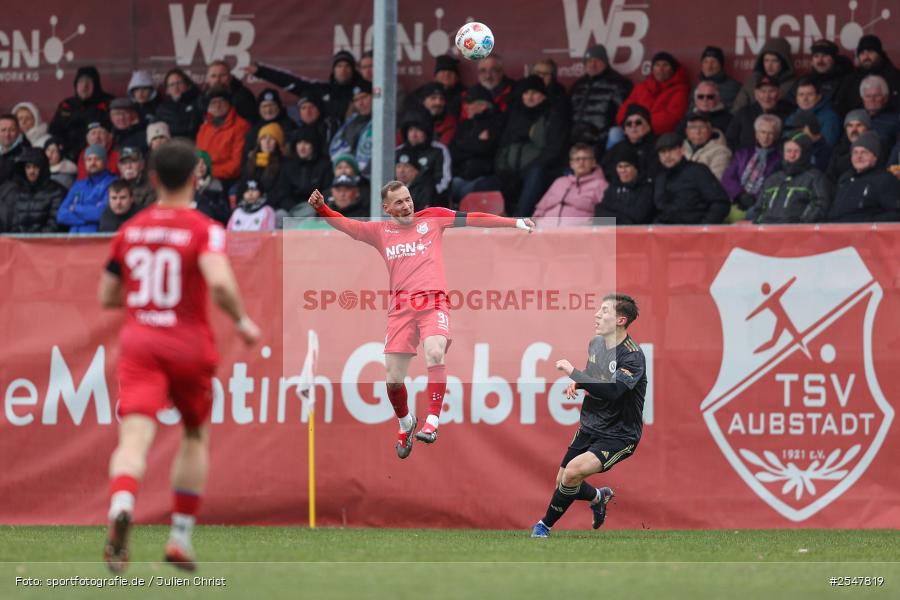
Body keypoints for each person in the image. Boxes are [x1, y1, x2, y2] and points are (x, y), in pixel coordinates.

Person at [98, 138, 260, 574]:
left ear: (151, 179)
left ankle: (121, 503)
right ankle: (180, 536)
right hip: (188, 343)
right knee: (194, 435)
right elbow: (221, 284)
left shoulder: (129, 230)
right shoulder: (205, 228)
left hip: (141, 344)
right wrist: (242, 321)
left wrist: (145, 303)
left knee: (134, 439)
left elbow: (107, 294)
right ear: (196, 177)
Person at [307, 183, 535, 453]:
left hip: (434, 302)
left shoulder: (433, 218)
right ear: (387, 208)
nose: (407, 206)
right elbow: (346, 224)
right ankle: (406, 423)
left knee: (435, 353)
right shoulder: (379, 232)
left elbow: (474, 218)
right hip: (401, 310)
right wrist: (322, 208)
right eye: (399, 203)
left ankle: (432, 421)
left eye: (408, 199)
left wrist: (515, 222)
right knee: (393, 380)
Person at [531, 294, 647, 538]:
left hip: (620, 434)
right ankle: (598, 497)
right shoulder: (596, 343)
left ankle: (543, 527)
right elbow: (596, 377)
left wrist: (573, 373)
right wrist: (581, 383)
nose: (597, 314)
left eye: (604, 311)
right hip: (591, 424)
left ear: (620, 320)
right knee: (563, 481)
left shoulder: (632, 356)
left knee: (572, 473)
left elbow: (614, 390)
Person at [495, 75, 568, 216]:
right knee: (483, 185)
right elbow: (502, 149)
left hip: (540, 173)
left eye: (534, 93)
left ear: (543, 96)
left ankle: (519, 221)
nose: (529, 97)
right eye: (526, 93)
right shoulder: (515, 116)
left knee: (536, 174)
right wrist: (505, 172)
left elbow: (553, 150)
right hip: (511, 174)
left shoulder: (552, 116)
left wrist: (526, 170)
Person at [250, 51, 367, 124]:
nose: (343, 70)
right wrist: (261, 71)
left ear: (353, 70)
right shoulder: (323, 89)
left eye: (347, 66)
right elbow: (292, 81)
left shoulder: (362, 90)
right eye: (339, 66)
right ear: (334, 70)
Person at [747, 134, 832, 224]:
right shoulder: (773, 179)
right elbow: (759, 208)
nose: (792, 155)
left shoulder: (815, 177)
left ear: (805, 153)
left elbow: (821, 204)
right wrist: (760, 224)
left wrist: (801, 225)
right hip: (768, 231)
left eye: (796, 151)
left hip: (796, 233)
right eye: (788, 151)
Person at [653, 133, 730, 224]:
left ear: (682, 150)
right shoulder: (659, 178)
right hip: (666, 233)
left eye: (671, 150)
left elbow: (720, 203)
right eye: (662, 152)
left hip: (697, 232)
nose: (667, 156)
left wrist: (703, 228)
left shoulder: (698, 171)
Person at [568, 44, 632, 150]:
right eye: (589, 61)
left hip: (603, 142)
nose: (592, 65)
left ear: (606, 62)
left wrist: (601, 136)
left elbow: (624, 116)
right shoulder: (578, 85)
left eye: (597, 61)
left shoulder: (619, 84)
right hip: (576, 142)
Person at [828, 131, 900, 222]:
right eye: (855, 152)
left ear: (875, 157)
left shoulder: (885, 180)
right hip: (834, 232)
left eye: (864, 152)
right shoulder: (844, 179)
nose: (859, 157)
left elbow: (895, 214)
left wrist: (866, 223)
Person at [722, 114, 783, 218]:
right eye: (763, 132)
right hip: (735, 199)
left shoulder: (779, 159)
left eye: (770, 133)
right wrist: (739, 194)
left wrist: (754, 198)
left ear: (776, 136)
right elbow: (728, 177)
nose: (766, 137)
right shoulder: (742, 153)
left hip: (758, 205)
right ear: (756, 134)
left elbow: (774, 185)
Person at [616, 51, 689, 136]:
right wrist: (629, 124)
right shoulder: (641, 87)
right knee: (615, 133)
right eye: (657, 65)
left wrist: (642, 125)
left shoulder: (680, 90)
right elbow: (624, 110)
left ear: (673, 69)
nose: (661, 69)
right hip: (633, 129)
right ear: (652, 69)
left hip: (658, 134)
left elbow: (672, 118)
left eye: (665, 65)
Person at [532, 144, 607, 226]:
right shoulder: (559, 182)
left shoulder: (601, 185)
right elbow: (540, 209)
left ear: (593, 163)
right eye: (577, 159)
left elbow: (607, 218)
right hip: (545, 231)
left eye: (585, 159)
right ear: (571, 164)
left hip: (577, 234)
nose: (581, 162)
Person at [48, 65, 113, 160]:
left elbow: (113, 133)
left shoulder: (108, 103)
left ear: (96, 85)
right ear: (76, 85)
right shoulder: (66, 105)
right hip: (68, 157)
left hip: (99, 156)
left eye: (89, 82)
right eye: (81, 82)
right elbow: (54, 131)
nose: (84, 87)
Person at [0, 147, 65, 233]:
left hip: (46, 244)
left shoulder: (56, 191)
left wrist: (35, 240)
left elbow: (54, 223)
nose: (31, 171)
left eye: (36, 167)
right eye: (28, 167)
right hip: (20, 244)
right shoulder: (18, 191)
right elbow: (14, 223)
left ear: (43, 168)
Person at [195, 87, 251, 185]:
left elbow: (236, 165)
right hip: (204, 177)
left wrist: (209, 172)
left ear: (229, 103)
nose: (217, 106)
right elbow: (199, 157)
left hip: (228, 180)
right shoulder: (204, 127)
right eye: (213, 102)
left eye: (221, 101)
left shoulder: (241, 126)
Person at [56, 144, 117, 232]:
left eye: (97, 159)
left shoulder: (113, 183)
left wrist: (75, 208)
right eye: (89, 159)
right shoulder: (78, 185)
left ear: (105, 162)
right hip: (75, 241)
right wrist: (89, 217)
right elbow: (61, 215)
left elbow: (102, 214)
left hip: (98, 240)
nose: (92, 163)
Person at [273, 125, 333, 213]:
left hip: (315, 209)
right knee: (279, 214)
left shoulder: (325, 165)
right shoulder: (288, 166)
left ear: (314, 145)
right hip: (292, 208)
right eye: (299, 143)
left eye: (306, 143)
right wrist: (294, 208)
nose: (302, 147)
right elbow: (283, 194)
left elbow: (327, 192)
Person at [835, 35, 900, 115]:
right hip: (855, 124)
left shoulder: (895, 77)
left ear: (880, 54)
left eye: (870, 52)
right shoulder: (850, 80)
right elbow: (840, 107)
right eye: (862, 53)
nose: (866, 57)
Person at [726, 76, 793, 151]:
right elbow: (730, 139)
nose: (767, 96)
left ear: (778, 93)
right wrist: (740, 157)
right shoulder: (744, 113)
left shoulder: (789, 113)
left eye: (771, 91)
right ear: (756, 94)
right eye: (763, 91)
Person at [732, 37, 796, 114]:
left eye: (774, 61)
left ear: (784, 63)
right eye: (766, 60)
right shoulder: (752, 81)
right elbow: (737, 110)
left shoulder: (793, 84)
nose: (769, 66)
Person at [594, 144, 655, 225]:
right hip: (613, 233)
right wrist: (623, 220)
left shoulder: (646, 187)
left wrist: (612, 207)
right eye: (620, 166)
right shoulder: (613, 186)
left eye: (627, 166)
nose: (623, 170)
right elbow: (599, 212)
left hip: (637, 235)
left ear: (635, 168)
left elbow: (638, 215)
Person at [600, 104, 658, 181]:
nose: (633, 126)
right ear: (624, 130)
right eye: (629, 123)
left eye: (638, 122)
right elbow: (604, 171)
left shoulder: (658, 146)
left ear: (648, 126)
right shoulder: (617, 148)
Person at [784, 78, 840, 146]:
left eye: (810, 94)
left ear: (819, 97)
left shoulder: (830, 117)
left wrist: (813, 139)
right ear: (796, 98)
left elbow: (828, 144)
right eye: (801, 95)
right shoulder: (792, 117)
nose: (805, 99)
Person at [826, 109, 877, 181]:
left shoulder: (876, 148)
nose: (854, 130)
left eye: (859, 125)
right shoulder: (839, 149)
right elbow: (830, 176)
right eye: (850, 126)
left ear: (867, 128)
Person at [156, 68, 205, 139]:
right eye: (172, 85)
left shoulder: (198, 102)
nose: (176, 87)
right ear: (167, 90)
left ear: (187, 85)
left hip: (194, 144)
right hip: (171, 146)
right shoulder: (162, 108)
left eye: (179, 83)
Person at [681, 112, 732, 180]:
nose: (697, 132)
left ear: (710, 130)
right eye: (693, 127)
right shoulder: (679, 147)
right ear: (687, 131)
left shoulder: (721, 152)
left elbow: (715, 181)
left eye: (702, 127)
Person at [693, 46, 741, 111]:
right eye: (706, 62)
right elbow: (690, 111)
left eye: (713, 62)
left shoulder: (734, 87)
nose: (709, 66)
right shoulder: (696, 87)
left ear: (721, 65)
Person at [193, 150, 230, 225]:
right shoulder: (184, 185)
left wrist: (208, 203)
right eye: (197, 163)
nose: (200, 166)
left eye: (204, 163)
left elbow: (225, 214)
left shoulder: (216, 185)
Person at [0, 113, 31, 184]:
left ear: (18, 131)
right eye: (3, 130)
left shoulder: (26, 153)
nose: (7, 134)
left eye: (12, 130)